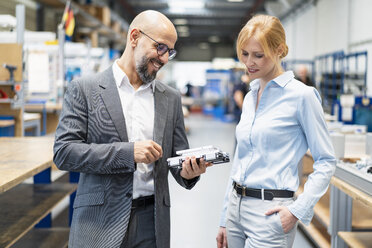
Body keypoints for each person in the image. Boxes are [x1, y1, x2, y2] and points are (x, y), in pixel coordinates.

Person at [54, 10, 211, 248]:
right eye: (160, 47)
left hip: (151, 222)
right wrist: (128, 153)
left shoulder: (170, 99)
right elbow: (64, 153)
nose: (165, 58)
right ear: (134, 37)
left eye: (170, 51)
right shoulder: (85, 89)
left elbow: (177, 160)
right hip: (99, 222)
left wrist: (189, 172)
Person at [216, 14, 336, 248]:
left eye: (259, 55)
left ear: (279, 50)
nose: (249, 62)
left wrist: (298, 209)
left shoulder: (302, 96)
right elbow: (241, 160)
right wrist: (224, 217)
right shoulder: (250, 97)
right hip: (235, 209)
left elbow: (326, 161)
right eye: (245, 54)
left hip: (269, 213)